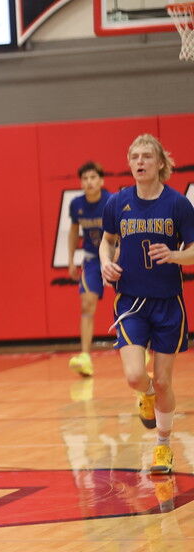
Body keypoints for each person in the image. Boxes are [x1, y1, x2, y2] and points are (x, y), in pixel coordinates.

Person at [100, 134, 194, 475]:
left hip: (168, 303)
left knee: (166, 382)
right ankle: (146, 395)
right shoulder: (118, 202)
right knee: (135, 376)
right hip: (132, 302)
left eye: (146, 156)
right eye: (135, 157)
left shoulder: (178, 205)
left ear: (160, 164)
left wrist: (175, 254)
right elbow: (107, 241)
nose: (140, 162)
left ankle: (163, 446)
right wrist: (105, 261)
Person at [66, 162, 114, 377]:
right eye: (85, 179)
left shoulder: (112, 201)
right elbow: (74, 231)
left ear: (101, 180)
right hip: (92, 260)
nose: (89, 182)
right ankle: (85, 357)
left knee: (127, 301)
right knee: (87, 303)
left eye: (93, 177)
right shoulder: (76, 205)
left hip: (116, 256)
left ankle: (139, 348)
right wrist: (70, 259)